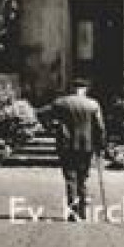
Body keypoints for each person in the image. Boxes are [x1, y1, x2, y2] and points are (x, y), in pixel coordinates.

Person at [46, 78, 105, 221]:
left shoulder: (61, 103)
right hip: (86, 146)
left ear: (72, 89)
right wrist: (100, 145)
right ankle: (83, 212)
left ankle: (73, 213)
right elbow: (100, 127)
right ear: (85, 89)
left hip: (66, 146)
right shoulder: (93, 104)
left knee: (70, 178)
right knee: (83, 178)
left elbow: (45, 116)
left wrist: (53, 128)